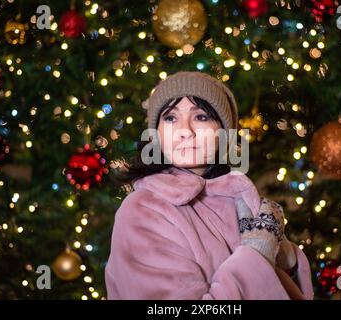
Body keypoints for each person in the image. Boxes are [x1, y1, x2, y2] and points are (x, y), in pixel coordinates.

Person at [105, 71, 314, 299]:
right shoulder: (142, 210)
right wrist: (257, 252)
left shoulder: (239, 199)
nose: (185, 130)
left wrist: (286, 259)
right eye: (170, 118)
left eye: (201, 117)